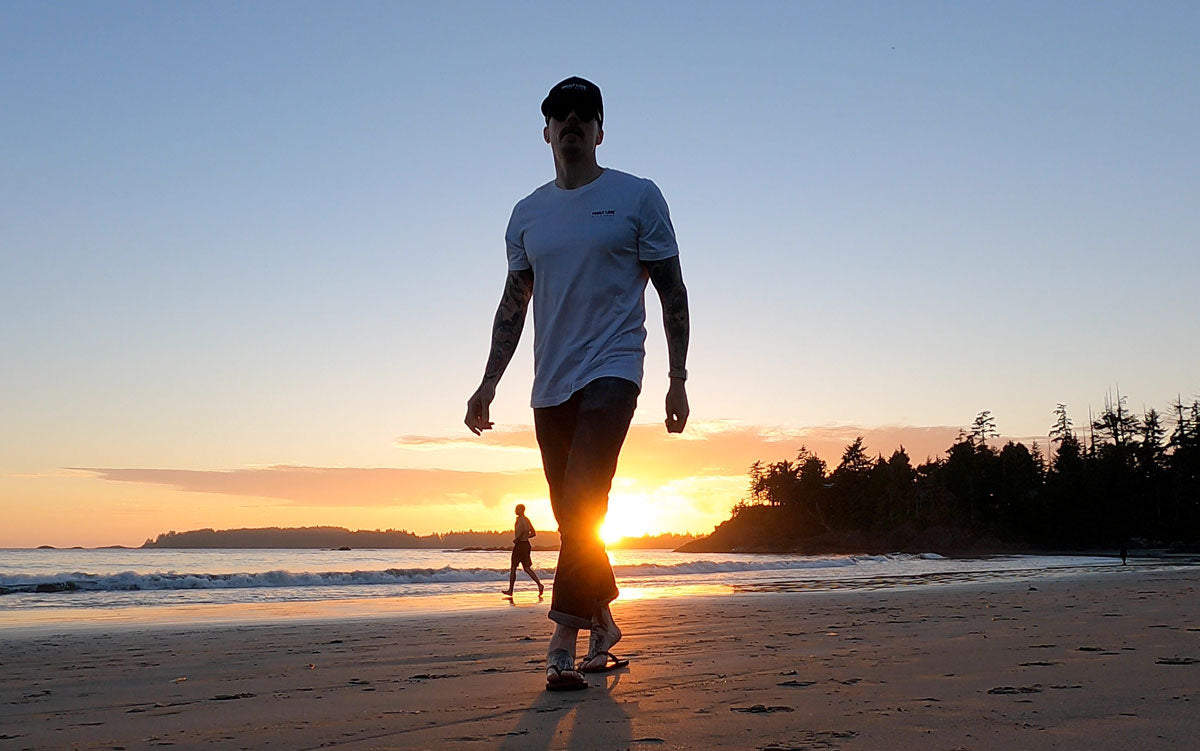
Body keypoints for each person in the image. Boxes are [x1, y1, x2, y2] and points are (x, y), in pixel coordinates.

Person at [465, 76, 690, 692]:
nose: (571, 122)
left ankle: (561, 639)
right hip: (550, 385)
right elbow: (512, 305)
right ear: (546, 131)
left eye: (583, 114)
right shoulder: (527, 214)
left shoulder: (637, 197)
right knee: (573, 517)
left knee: (588, 496)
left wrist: (677, 378)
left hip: (615, 369)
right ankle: (604, 618)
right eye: (559, 114)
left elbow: (672, 291)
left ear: (599, 130)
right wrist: (486, 385)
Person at [502, 503, 544, 597]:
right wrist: (525, 537)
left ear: (522, 510)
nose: (515, 511)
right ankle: (540, 585)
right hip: (525, 545)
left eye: (517, 509)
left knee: (513, 568)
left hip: (520, 545)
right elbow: (533, 533)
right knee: (526, 568)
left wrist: (519, 538)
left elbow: (525, 530)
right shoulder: (525, 519)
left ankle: (510, 590)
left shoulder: (522, 519)